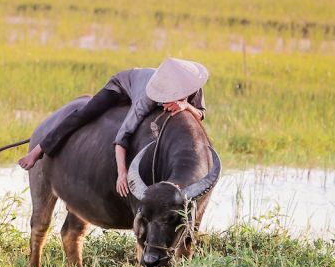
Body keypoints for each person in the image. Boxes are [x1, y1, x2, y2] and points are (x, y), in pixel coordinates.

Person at [18, 57, 208, 197]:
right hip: (123, 87)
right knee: (85, 114)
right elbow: (122, 137)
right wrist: (122, 173)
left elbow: (200, 114)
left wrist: (186, 105)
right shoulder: (147, 99)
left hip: (152, 81)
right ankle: (37, 150)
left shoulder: (194, 85)